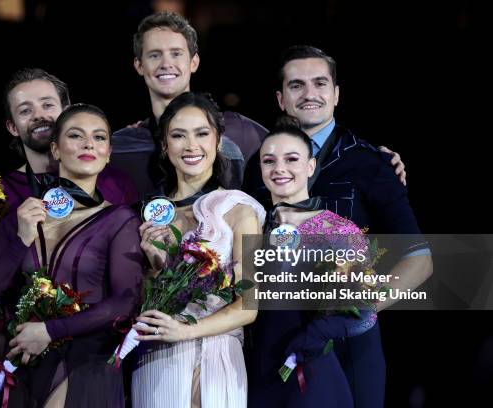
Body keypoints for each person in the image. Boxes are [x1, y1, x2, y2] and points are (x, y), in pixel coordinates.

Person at [244, 45, 432, 407]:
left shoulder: (372, 164)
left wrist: (353, 313)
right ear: (281, 99)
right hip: (273, 347)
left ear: (336, 94)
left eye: (320, 83)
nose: (310, 94)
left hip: (349, 349)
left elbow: (419, 260)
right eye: (296, 85)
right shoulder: (259, 166)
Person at [0, 104, 144, 407]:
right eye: (76, 136)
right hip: (25, 362)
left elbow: (127, 301)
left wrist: (51, 330)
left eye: (99, 137)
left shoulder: (120, 219)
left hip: (86, 364)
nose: (89, 143)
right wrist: (21, 239)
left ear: (108, 153)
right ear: (56, 149)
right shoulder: (21, 216)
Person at [0, 68, 137, 304]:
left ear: (66, 108)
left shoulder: (116, 182)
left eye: (47, 105)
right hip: (29, 333)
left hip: (100, 331)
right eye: (25, 110)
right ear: (12, 126)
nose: (38, 115)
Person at [130, 92, 265, 408]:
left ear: (218, 141)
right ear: (165, 145)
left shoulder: (239, 209)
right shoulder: (148, 214)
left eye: (202, 134)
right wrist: (155, 264)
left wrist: (185, 331)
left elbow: (250, 304)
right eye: (178, 135)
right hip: (155, 360)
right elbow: (139, 305)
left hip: (216, 358)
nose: (191, 146)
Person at [247, 116, 378, 407]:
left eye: (291, 159)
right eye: (269, 161)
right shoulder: (251, 227)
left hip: (308, 374)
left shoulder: (336, 230)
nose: (279, 168)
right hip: (254, 377)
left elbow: (365, 312)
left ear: (310, 166)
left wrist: (317, 334)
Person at [110, 11, 268, 199]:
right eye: (154, 55)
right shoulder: (120, 145)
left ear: (194, 62)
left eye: (176, 54)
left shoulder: (241, 131)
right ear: (139, 65)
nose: (166, 63)